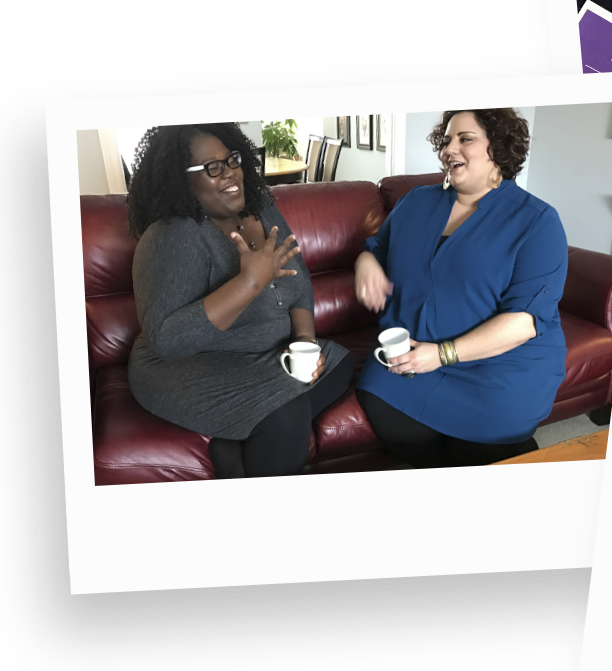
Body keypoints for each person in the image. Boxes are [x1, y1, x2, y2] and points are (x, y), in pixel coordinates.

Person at [125, 123, 353, 480]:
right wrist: (250, 281)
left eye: (231, 159)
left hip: (261, 356)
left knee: (340, 365)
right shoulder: (174, 235)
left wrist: (304, 342)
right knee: (286, 413)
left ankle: (234, 441)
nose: (230, 171)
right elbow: (166, 339)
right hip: (186, 367)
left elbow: (301, 280)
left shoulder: (262, 210)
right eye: (212, 167)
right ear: (181, 180)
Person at [353, 108, 568, 468]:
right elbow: (376, 246)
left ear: (498, 149)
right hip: (415, 351)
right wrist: (365, 263)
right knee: (376, 389)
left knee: (484, 446)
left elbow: (525, 321)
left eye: (465, 139)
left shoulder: (537, 221)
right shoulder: (416, 202)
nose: (449, 149)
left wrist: (441, 354)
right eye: (446, 140)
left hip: (499, 364)